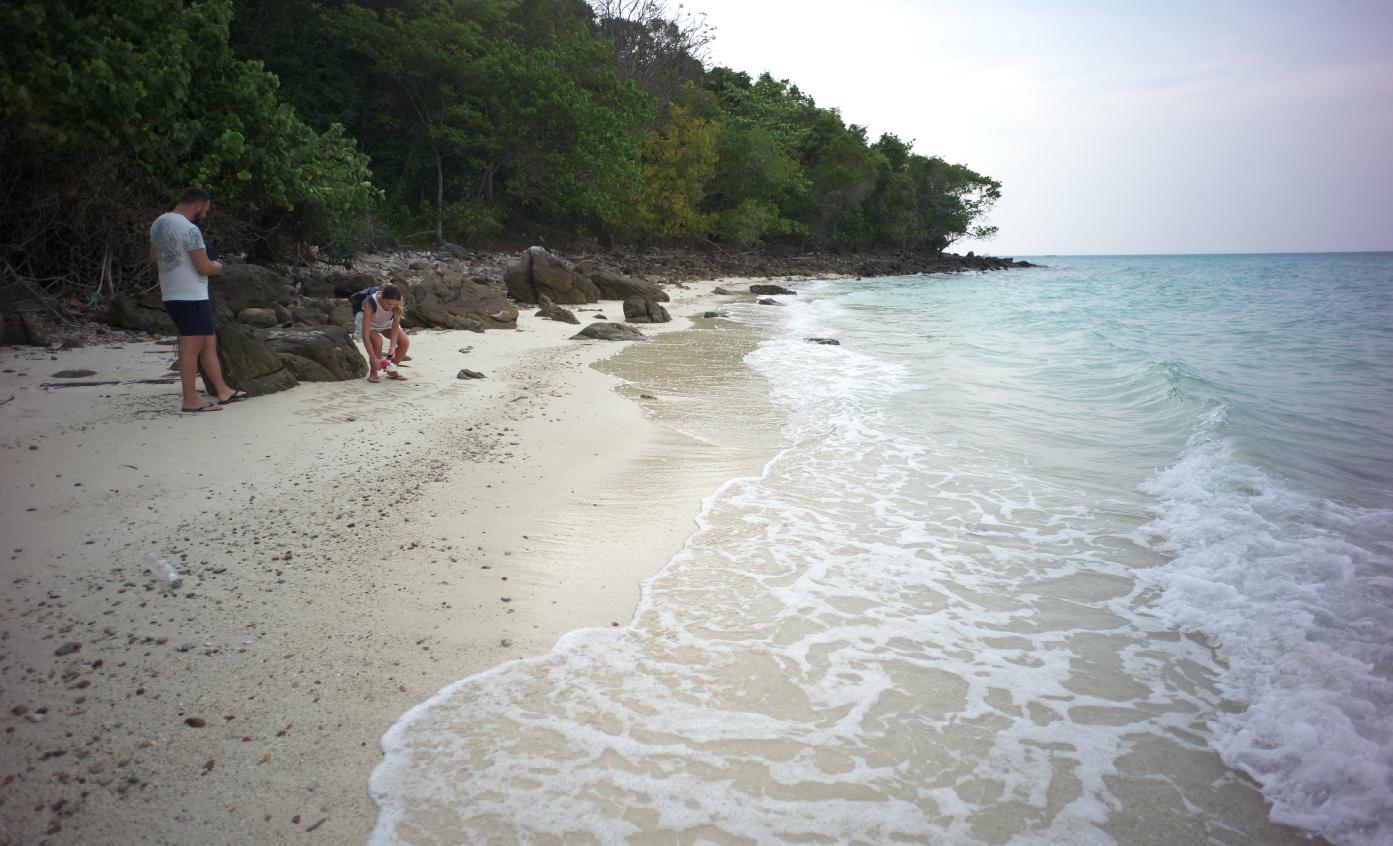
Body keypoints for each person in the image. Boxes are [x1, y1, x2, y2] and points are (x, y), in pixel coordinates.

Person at [148, 188, 246, 413]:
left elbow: (153, 257)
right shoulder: (190, 229)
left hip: (173, 293)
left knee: (208, 341)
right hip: (190, 295)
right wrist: (218, 266)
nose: (205, 216)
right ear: (198, 205)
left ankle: (222, 389)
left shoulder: (159, 223)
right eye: (205, 211)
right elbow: (204, 267)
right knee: (190, 348)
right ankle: (190, 400)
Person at [354, 284, 410, 383]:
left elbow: (395, 326)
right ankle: (373, 372)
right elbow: (365, 335)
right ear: (382, 298)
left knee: (404, 342)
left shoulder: (397, 304)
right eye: (388, 304)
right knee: (377, 341)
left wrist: (392, 347)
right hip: (369, 324)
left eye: (394, 305)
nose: (391, 307)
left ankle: (391, 369)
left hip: (385, 322)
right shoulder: (370, 302)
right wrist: (373, 358)